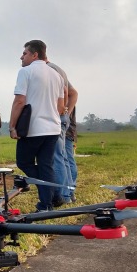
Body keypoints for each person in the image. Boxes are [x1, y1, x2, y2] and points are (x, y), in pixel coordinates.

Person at [9, 40, 65, 211]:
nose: (21, 56)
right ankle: (49, 200)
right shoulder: (57, 75)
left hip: (34, 129)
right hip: (53, 128)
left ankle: (50, 195)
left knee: (24, 162)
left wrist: (12, 126)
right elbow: (61, 106)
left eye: (24, 53)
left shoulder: (25, 72)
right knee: (45, 165)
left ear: (35, 55)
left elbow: (20, 101)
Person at [46, 59, 79, 205]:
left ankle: (65, 195)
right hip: (64, 121)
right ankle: (70, 193)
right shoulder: (57, 68)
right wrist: (66, 114)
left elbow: (69, 92)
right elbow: (73, 92)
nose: (21, 57)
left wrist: (64, 113)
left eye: (24, 53)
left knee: (59, 157)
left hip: (59, 121)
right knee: (65, 157)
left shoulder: (49, 70)